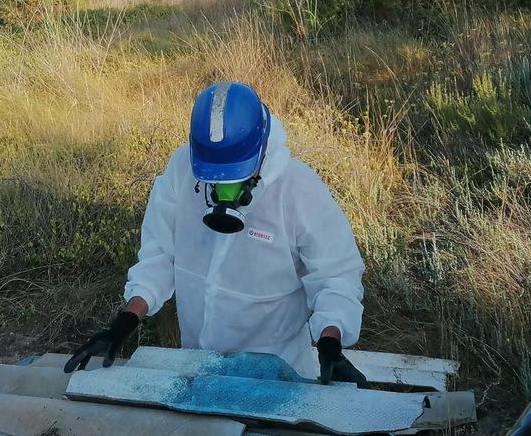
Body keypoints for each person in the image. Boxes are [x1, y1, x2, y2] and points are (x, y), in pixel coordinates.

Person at [66, 81, 368, 386]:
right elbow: (159, 257)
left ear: (261, 152)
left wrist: (330, 342)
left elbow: (336, 276)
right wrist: (125, 322)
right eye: (213, 177)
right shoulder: (182, 171)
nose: (223, 186)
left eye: (235, 174)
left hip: (278, 373)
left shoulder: (298, 188)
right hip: (198, 362)